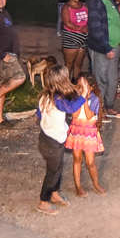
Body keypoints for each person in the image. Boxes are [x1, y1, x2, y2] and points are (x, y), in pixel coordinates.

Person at [35, 66, 80, 215]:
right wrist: (83, 96)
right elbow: (72, 108)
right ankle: (43, 201)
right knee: (53, 172)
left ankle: (54, 194)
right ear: (62, 80)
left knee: (58, 168)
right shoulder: (58, 100)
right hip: (51, 141)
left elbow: (39, 114)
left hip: (48, 138)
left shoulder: (45, 97)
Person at [85, 0, 120, 118]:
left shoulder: (110, 2)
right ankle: (98, 109)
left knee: (112, 79)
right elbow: (96, 28)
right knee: (100, 79)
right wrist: (106, 47)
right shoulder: (96, 3)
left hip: (114, 46)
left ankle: (109, 106)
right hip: (102, 48)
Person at [67, 73, 106, 196]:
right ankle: (78, 186)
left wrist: (83, 99)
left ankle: (96, 184)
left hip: (89, 132)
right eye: (79, 86)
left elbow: (89, 115)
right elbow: (74, 115)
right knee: (77, 158)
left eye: (84, 86)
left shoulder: (95, 99)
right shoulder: (75, 98)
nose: (81, 88)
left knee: (90, 161)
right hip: (76, 131)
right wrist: (81, 97)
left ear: (91, 87)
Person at [59, 0, 89, 80]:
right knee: (69, 65)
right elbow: (67, 23)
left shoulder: (84, 6)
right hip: (71, 37)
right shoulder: (66, 7)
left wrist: (88, 27)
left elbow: (90, 18)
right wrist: (81, 28)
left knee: (78, 65)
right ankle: (65, 85)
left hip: (83, 38)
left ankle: (76, 84)